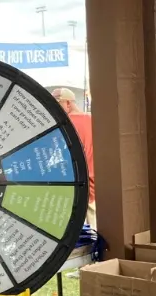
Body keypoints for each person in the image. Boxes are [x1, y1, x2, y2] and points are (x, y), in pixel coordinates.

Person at [52, 87, 96, 230]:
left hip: (75, 185)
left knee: (75, 230)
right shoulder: (92, 120)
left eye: (57, 103)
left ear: (68, 103)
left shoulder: (63, 125)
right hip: (95, 184)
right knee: (95, 230)